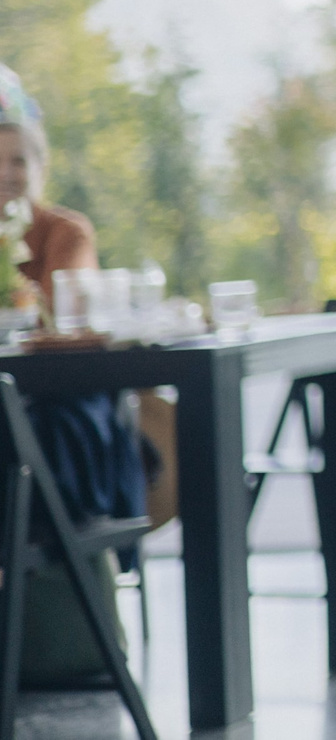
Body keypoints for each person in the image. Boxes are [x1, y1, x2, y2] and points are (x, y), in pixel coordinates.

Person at [0, 62, 147, 687]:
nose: (6, 175)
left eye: (17, 162)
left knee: (41, 433)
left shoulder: (63, 231)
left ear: (39, 167)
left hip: (63, 398)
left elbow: (67, 312)